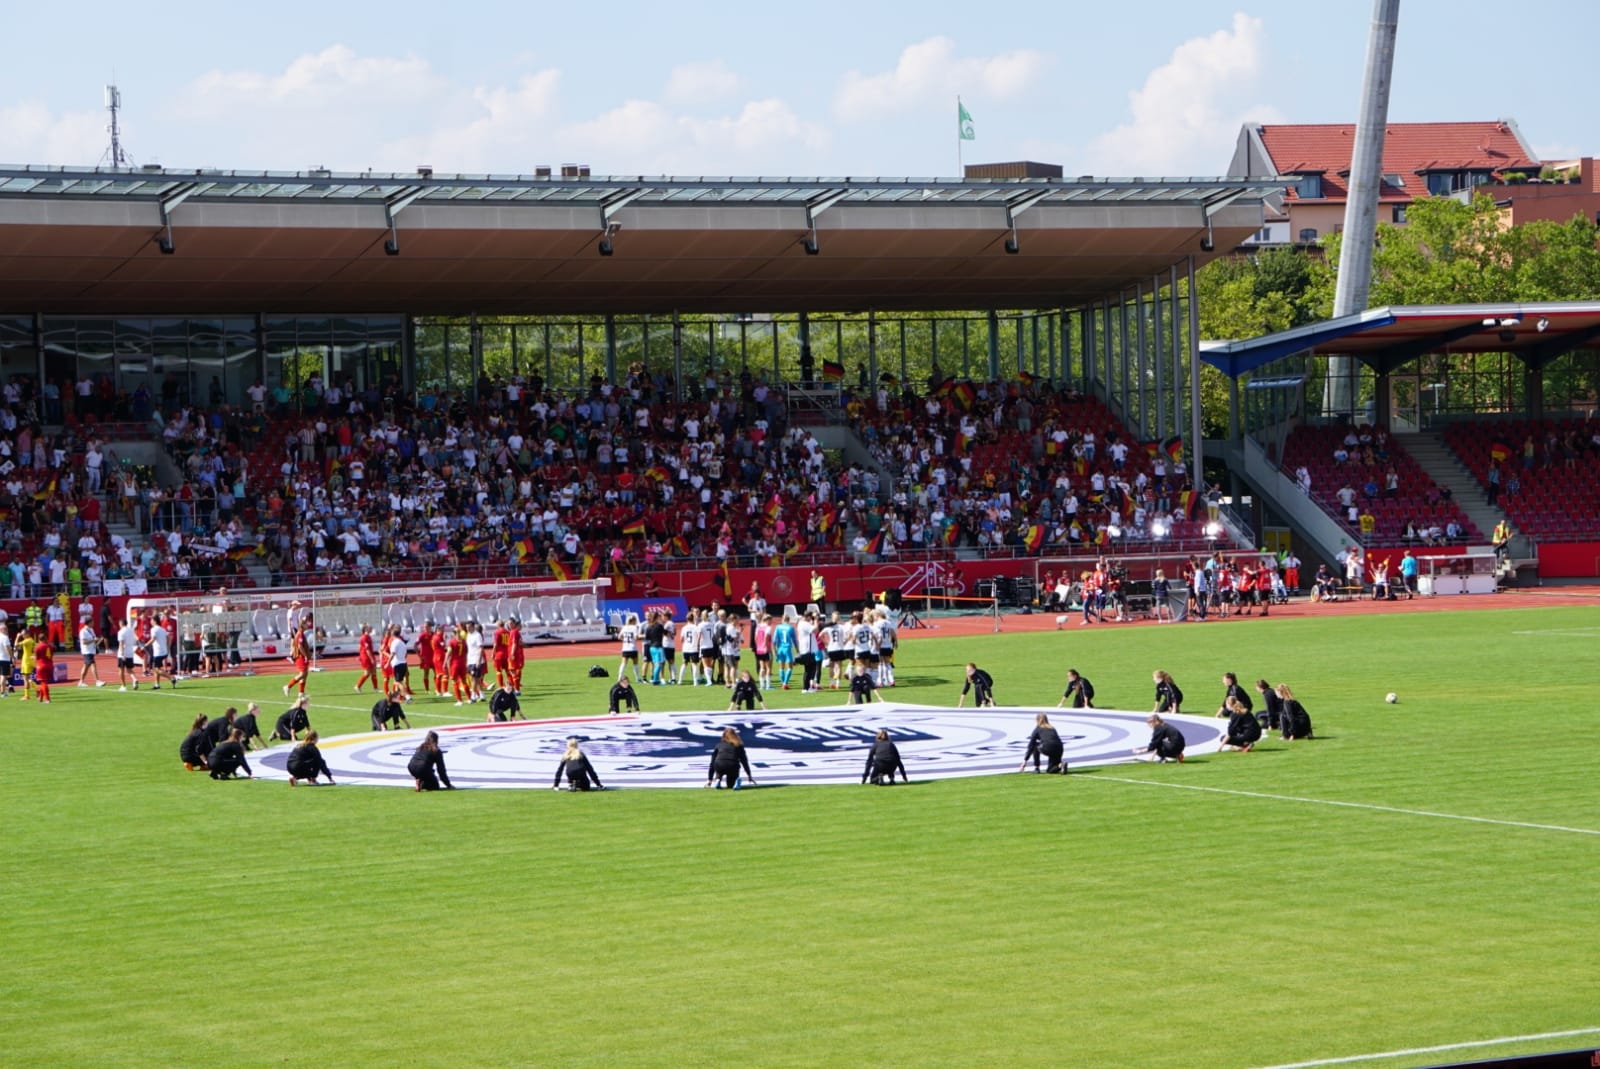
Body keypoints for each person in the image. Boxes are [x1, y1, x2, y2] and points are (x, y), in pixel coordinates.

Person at [76, 617, 106, 688]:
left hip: (91, 650)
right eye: (92, 622)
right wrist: (93, 640)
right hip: (87, 651)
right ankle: (97, 681)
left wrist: (99, 640)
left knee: (86, 666)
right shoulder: (83, 631)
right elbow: (84, 642)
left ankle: (81, 681)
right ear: (89, 622)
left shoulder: (91, 630)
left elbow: (94, 641)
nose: (93, 623)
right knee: (93, 664)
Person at [354, 623, 380, 693]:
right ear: (366, 629)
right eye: (369, 627)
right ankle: (358, 686)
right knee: (367, 673)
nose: (371, 628)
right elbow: (367, 649)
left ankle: (376, 688)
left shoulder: (368, 636)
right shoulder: (364, 637)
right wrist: (372, 659)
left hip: (369, 656)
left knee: (374, 672)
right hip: (366, 657)